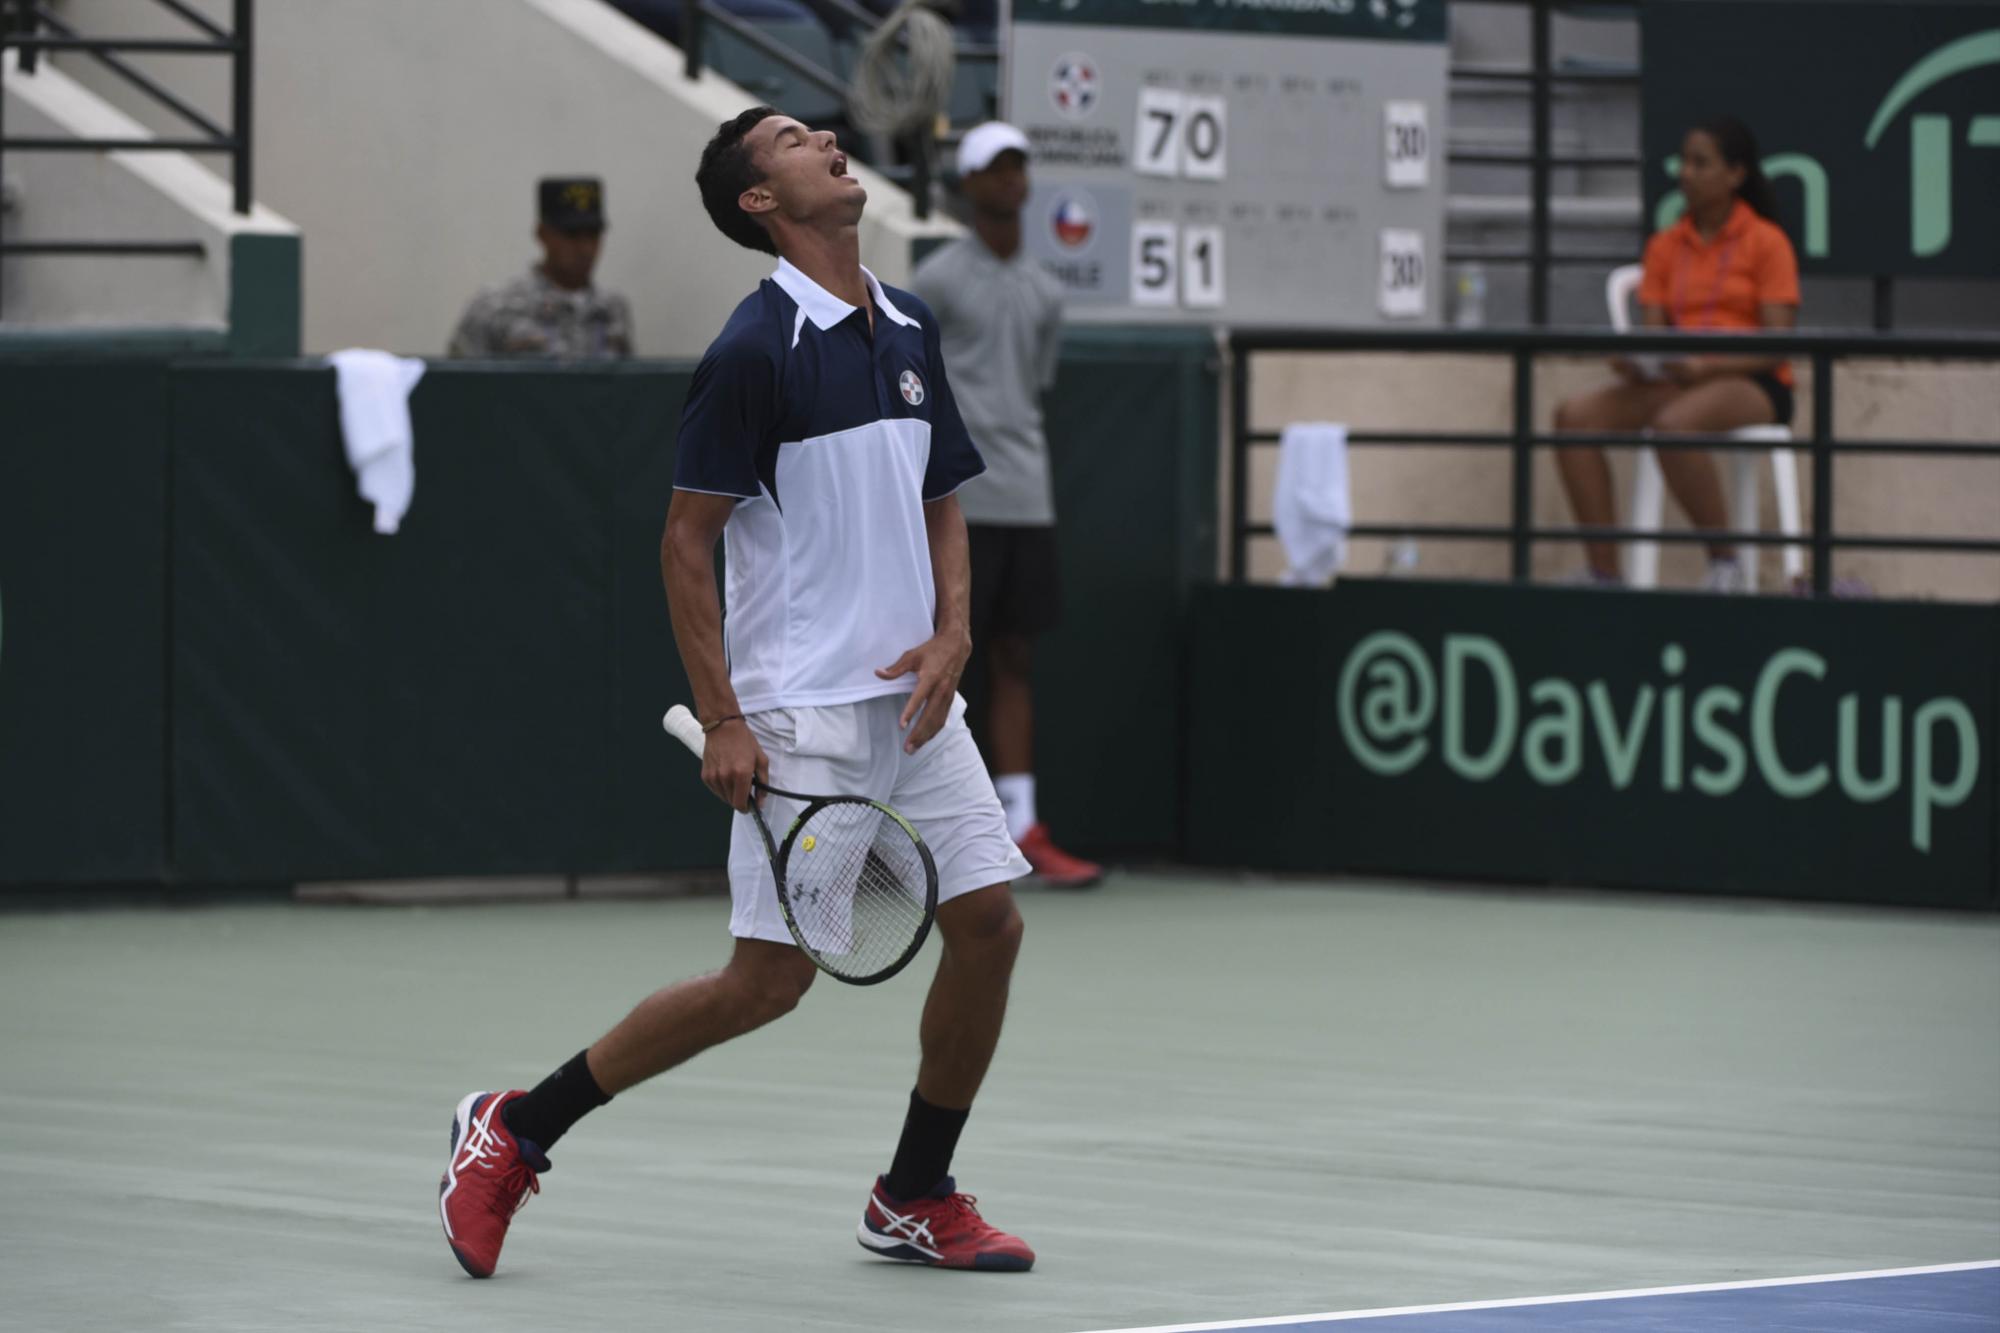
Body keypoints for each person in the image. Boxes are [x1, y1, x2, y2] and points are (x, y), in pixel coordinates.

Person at [436, 107, 1036, 1280]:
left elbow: (941, 494)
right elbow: (684, 541)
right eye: (796, 140)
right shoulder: (754, 350)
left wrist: (954, 630)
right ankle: (513, 1127)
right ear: (760, 201)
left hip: (917, 703)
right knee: (765, 983)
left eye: (821, 133)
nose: (828, 141)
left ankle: (913, 1193)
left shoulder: (908, 322)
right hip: (800, 712)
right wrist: (723, 713)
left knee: (989, 927)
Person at [908, 122, 1102, 888]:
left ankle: (1020, 829)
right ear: (968, 183)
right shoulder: (935, 282)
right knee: (935, 663)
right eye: (995, 168)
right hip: (956, 501)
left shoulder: (1046, 290)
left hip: (1027, 496)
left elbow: (1035, 385)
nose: (1010, 180)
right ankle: (919, 838)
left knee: (1015, 658)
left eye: (1018, 166)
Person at [1553, 115, 1800, 591]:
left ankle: (1725, 566)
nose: (1686, 173)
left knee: (1673, 426)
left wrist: (1708, 366)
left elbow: (1778, 345)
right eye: (1683, 162)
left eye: (1700, 163)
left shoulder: (1767, 243)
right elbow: (1654, 335)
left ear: (1735, 174)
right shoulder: (1665, 246)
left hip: (1752, 379)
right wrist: (1636, 361)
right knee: (1573, 417)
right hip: (1680, 376)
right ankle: (1604, 575)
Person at [446, 177, 634, 359]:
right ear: (542, 234)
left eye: (593, 235)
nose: (584, 248)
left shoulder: (611, 310)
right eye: (572, 235)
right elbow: (461, 377)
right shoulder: (495, 307)